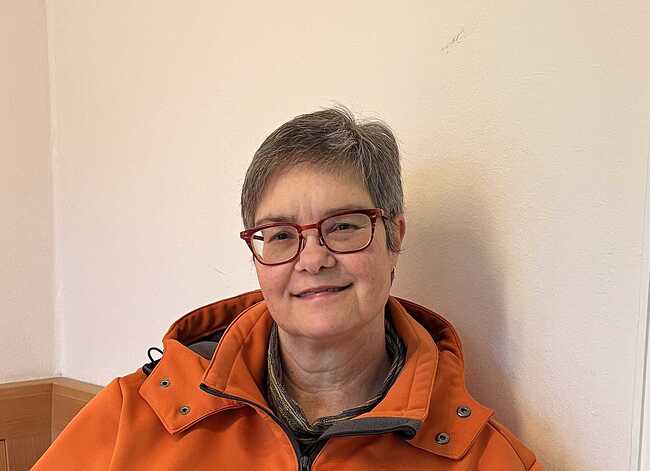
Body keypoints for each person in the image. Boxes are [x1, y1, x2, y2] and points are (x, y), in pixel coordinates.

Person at [33, 107, 542, 470]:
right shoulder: (135, 413)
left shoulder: (486, 459)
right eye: (280, 235)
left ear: (395, 239)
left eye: (344, 226)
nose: (313, 258)